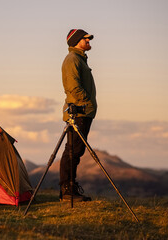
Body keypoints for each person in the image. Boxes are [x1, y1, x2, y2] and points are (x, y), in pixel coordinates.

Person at [59, 29, 97, 202]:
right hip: (79, 112)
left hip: (83, 111)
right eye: (86, 38)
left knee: (76, 151)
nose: (89, 40)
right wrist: (86, 102)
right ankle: (67, 192)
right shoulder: (73, 60)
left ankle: (70, 189)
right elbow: (73, 86)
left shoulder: (79, 59)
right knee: (72, 151)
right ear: (76, 41)